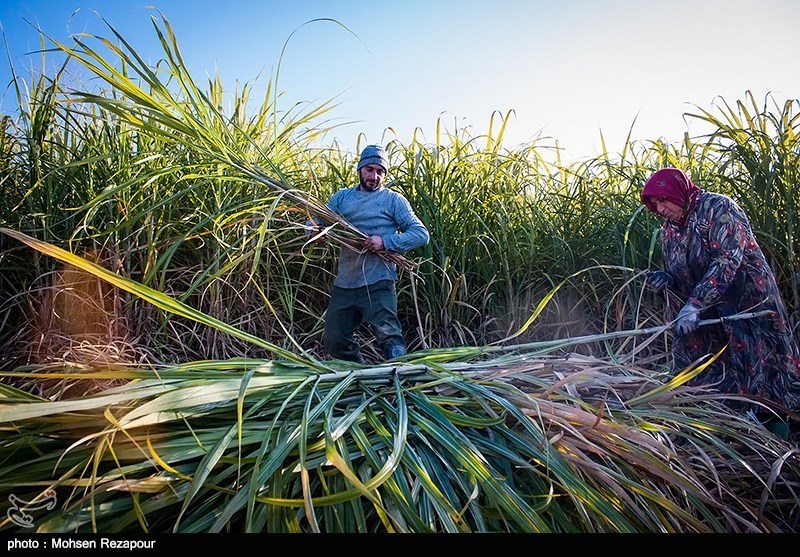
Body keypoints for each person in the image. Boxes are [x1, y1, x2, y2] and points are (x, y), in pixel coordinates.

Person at [641, 167, 800, 436]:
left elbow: (727, 260)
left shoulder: (719, 208)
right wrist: (666, 279)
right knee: (703, 367)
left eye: (663, 200)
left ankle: (783, 443)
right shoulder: (670, 231)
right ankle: (728, 433)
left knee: (766, 371)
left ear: (677, 192)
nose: (660, 208)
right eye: (654, 204)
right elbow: (682, 272)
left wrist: (695, 304)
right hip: (708, 314)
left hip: (749, 307)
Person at [310, 144, 429, 364]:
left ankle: (399, 379)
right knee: (334, 339)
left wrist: (385, 242)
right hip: (346, 282)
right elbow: (314, 221)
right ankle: (360, 374)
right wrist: (315, 232)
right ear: (360, 169)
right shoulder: (342, 198)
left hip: (379, 281)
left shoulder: (393, 200)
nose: (374, 176)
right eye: (369, 170)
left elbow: (420, 234)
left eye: (380, 171)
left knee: (390, 338)